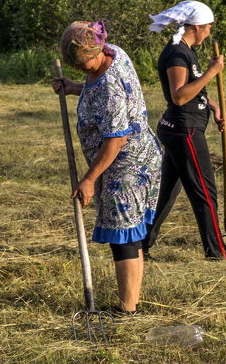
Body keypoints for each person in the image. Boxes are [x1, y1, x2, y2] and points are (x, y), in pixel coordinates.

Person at [52, 21, 161, 315]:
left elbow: (116, 138)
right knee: (130, 235)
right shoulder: (114, 53)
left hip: (125, 168)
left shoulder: (110, 85)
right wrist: (76, 88)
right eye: (77, 66)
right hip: (139, 160)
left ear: (97, 49)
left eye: (85, 64)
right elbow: (98, 94)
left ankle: (127, 311)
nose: (82, 69)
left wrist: (89, 179)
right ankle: (132, 303)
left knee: (123, 237)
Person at [142, 0, 226, 263]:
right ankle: (218, 254)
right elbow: (179, 96)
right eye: (209, 28)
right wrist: (212, 72)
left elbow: (193, 90)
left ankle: (142, 244)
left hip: (182, 129)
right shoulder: (177, 54)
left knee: (167, 191)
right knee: (205, 191)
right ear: (198, 26)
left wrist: (213, 105)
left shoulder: (186, 49)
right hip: (184, 131)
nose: (209, 33)